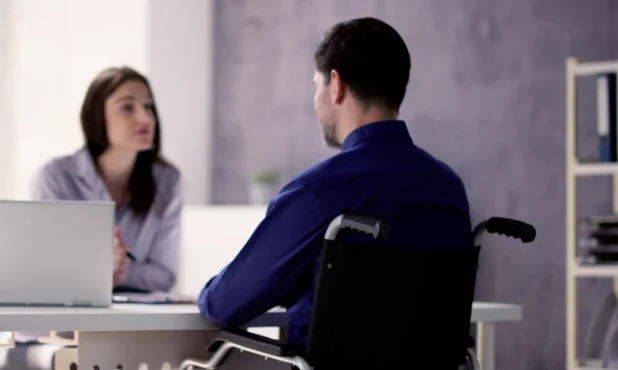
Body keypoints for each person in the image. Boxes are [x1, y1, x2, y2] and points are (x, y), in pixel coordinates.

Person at [196, 17, 472, 351]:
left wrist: (207, 292)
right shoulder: (449, 189)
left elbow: (226, 303)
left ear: (335, 85)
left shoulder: (319, 191)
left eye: (316, 85)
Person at [0, 66, 182, 370]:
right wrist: (98, 271)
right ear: (97, 117)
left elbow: (165, 274)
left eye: (148, 106)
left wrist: (123, 272)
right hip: (52, 333)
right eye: (127, 107)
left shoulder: (167, 182)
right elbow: (44, 269)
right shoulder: (55, 176)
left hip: (125, 333)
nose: (144, 118)